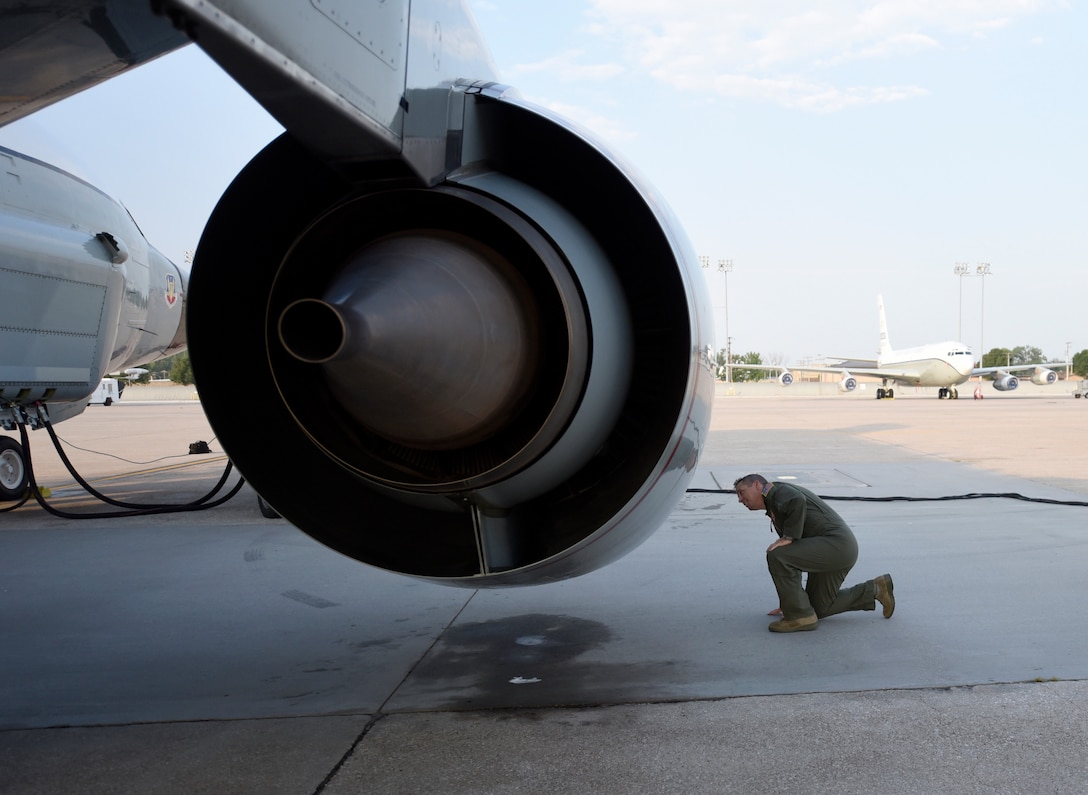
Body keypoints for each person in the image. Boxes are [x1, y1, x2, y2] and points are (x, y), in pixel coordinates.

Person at [733, 473, 895, 633]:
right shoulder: (775, 503)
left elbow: (797, 500)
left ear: (756, 485)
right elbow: (793, 559)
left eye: (741, 492)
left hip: (835, 545)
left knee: (778, 554)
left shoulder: (775, 491)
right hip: (836, 549)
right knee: (819, 607)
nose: (740, 499)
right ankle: (876, 588)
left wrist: (789, 537)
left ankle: (798, 617)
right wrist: (789, 601)